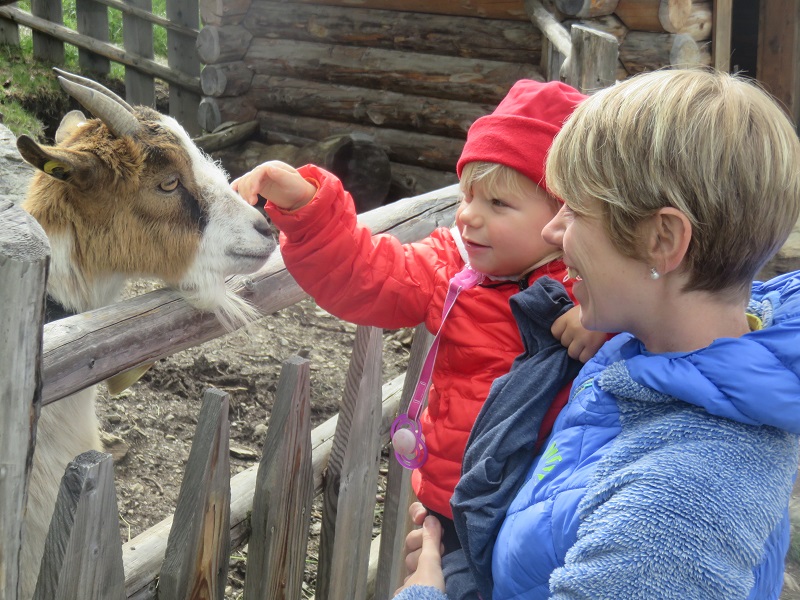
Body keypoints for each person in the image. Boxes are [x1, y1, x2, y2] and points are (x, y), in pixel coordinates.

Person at [395, 68, 800, 600]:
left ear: (663, 239)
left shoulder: (675, 511)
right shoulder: (639, 358)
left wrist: (424, 593)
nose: (552, 229)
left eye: (575, 209)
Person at [232, 80, 607, 557]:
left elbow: (667, 334)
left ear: (566, 213)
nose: (468, 217)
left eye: (498, 203)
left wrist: (604, 319)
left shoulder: (601, 285)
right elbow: (364, 272)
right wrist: (305, 205)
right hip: (454, 509)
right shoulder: (452, 269)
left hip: (551, 514)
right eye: (467, 196)